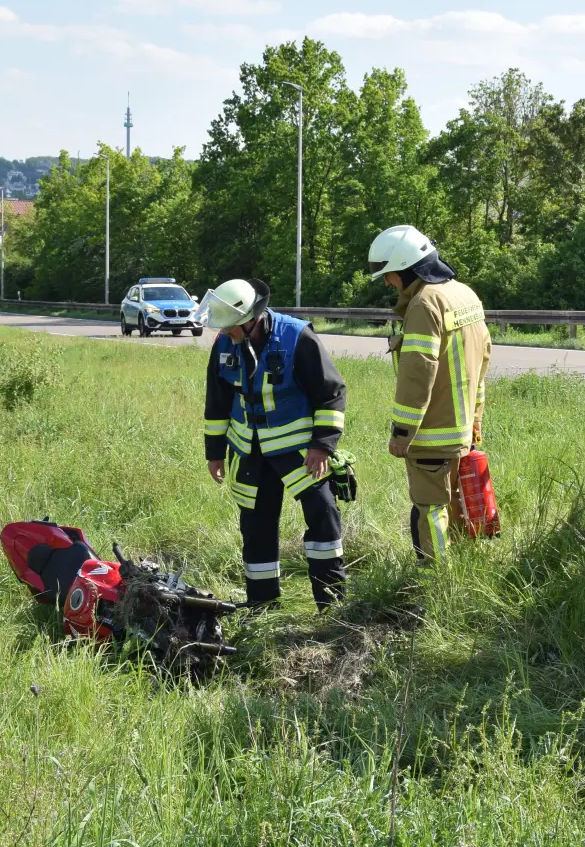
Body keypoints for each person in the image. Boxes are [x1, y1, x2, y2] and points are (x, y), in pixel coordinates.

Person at [202, 278, 348, 611]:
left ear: (251, 320)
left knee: (323, 515)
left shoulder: (297, 337)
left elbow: (332, 393)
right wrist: (214, 454)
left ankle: (332, 605)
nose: (225, 335)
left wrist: (322, 446)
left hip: (299, 453)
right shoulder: (224, 343)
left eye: (232, 328)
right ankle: (262, 605)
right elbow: (217, 402)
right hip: (250, 454)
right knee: (256, 527)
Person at [368, 225, 492, 565]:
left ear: (405, 267)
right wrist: (476, 418)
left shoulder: (425, 304)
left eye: (388, 275)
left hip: (431, 435)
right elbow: (482, 360)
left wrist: (402, 433)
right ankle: (460, 568)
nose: (387, 283)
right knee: (454, 503)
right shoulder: (464, 294)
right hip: (461, 429)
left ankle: (435, 581)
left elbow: (417, 373)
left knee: (430, 511)